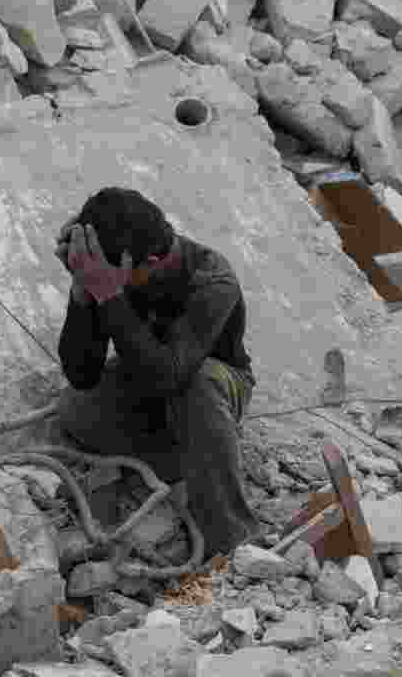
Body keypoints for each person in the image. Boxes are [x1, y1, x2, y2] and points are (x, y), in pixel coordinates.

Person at [53, 186, 261, 559]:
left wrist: (110, 297)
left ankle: (233, 542)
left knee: (199, 385)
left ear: (150, 262)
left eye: (114, 277)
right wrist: (83, 292)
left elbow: (170, 374)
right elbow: (82, 374)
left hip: (210, 387)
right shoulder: (115, 269)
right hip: (147, 380)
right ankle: (182, 460)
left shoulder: (213, 280)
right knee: (74, 405)